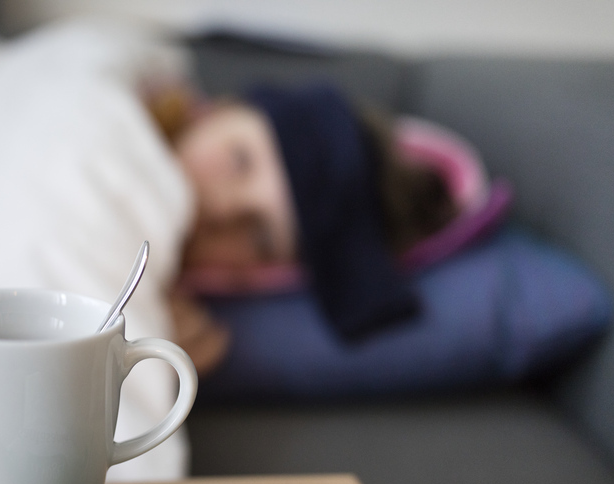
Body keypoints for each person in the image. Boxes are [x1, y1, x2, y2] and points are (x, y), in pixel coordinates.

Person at [147, 82, 459, 375]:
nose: (222, 209)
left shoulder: (161, 335)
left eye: (260, 236)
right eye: (239, 161)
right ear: (215, 112)